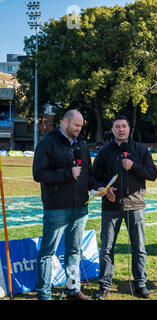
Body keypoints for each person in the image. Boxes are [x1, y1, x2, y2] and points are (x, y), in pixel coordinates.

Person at [33, 110, 104, 300]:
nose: (80, 129)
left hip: (80, 208)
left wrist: (100, 187)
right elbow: (38, 174)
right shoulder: (48, 142)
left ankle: (73, 289)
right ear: (65, 122)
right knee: (47, 252)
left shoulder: (81, 143)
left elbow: (87, 174)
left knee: (74, 251)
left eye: (81, 126)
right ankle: (44, 294)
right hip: (56, 208)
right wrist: (66, 173)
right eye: (76, 125)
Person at [93, 115, 157, 300]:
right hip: (111, 205)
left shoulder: (141, 150)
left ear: (129, 129)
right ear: (112, 130)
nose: (121, 129)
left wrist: (134, 166)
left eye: (124, 126)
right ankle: (104, 285)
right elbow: (94, 177)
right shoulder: (104, 153)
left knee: (139, 247)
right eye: (117, 127)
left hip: (136, 205)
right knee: (106, 248)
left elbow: (152, 174)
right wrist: (104, 189)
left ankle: (140, 283)